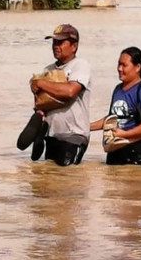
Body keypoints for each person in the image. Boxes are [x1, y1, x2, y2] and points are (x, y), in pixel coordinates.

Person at [20, 24, 92, 166]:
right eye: (54, 42)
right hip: (52, 136)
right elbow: (40, 103)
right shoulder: (48, 69)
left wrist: (40, 83)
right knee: (50, 180)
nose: (55, 46)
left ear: (74, 46)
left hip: (74, 136)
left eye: (60, 42)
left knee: (67, 178)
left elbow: (71, 91)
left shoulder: (80, 65)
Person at [90, 47, 141, 166]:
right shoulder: (118, 89)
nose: (119, 69)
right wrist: (86, 127)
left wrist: (125, 134)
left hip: (136, 153)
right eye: (118, 64)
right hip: (114, 150)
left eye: (124, 65)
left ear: (137, 67)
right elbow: (112, 118)